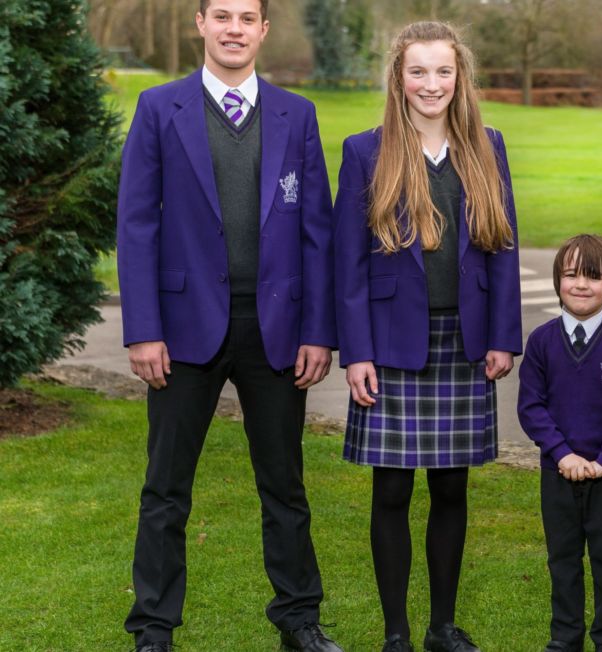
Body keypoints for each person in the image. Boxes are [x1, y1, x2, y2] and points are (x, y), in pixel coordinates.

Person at [116, 0, 341, 650]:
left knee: (285, 486)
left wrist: (318, 331)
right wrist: (142, 329)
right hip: (182, 330)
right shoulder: (161, 109)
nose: (234, 28)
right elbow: (137, 225)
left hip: (276, 329)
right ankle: (154, 628)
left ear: (264, 30)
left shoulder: (297, 115)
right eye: (222, 15)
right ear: (201, 24)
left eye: (247, 17)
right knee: (165, 488)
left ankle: (299, 619)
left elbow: (317, 233)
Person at [332, 21, 521, 652]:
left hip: (463, 344)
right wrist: (355, 351)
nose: (431, 83)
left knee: (451, 487)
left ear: (460, 76)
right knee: (391, 488)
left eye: (443, 71)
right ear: (398, 78)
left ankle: (442, 626)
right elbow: (348, 265)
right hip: (391, 345)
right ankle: (396, 633)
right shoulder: (366, 151)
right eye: (418, 71)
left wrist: (504, 337)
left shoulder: (487, 147)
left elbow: (502, 252)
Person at [518, 234, 602, 652]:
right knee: (563, 561)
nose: (581, 285)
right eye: (571, 275)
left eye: (594, 276)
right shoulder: (543, 342)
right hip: (558, 474)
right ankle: (565, 638)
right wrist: (562, 454)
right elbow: (532, 407)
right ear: (557, 280)